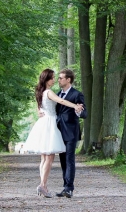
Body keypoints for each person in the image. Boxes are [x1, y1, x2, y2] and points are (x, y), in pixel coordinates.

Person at [23, 69, 83, 198]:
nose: (55, 80)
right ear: (47, 79)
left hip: (45, 123)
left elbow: (40, 106)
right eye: (53, 78)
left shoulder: (40, 92)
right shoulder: (50, 92)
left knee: (44, 158)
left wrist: (38, 110)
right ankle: (42, 185)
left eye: (58, 77)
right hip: (50, 124)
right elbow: (61, 101)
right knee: (49, 157)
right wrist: (75, 106)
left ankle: (46, 185)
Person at [39, 68, 87, 198]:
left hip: (71, 131)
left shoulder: (77, 94)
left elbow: (84, 113)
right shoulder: (57, 94)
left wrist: (78, 111)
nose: (58, 80)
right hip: (58, 131)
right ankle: (65, 187)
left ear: (68, 80)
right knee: (63, 161)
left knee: (69, 159)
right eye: (57, 78)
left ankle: (69, 188)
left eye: (61, 78)